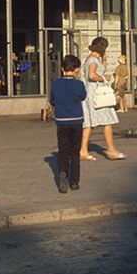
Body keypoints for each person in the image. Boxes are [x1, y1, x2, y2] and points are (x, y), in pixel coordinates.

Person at [80, 37, 126, 161]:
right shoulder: (94, 60)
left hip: (90, 92)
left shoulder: (90, 59)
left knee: (89, 123)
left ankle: (83, 150)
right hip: (98, 94)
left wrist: (104, 61)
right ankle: (111, 150)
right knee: (107, 120)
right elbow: (92, 75)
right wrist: (104, 78)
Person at [49, 54, 86, 193]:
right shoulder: (79, 84)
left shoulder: (56, 83)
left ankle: (63, 172)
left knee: (63, 150)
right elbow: (83, 96)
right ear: (76, 69)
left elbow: (52, 100)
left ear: (62, 68)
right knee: (75, 152)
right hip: (76, 120)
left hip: (62, 121)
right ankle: (75, 182)